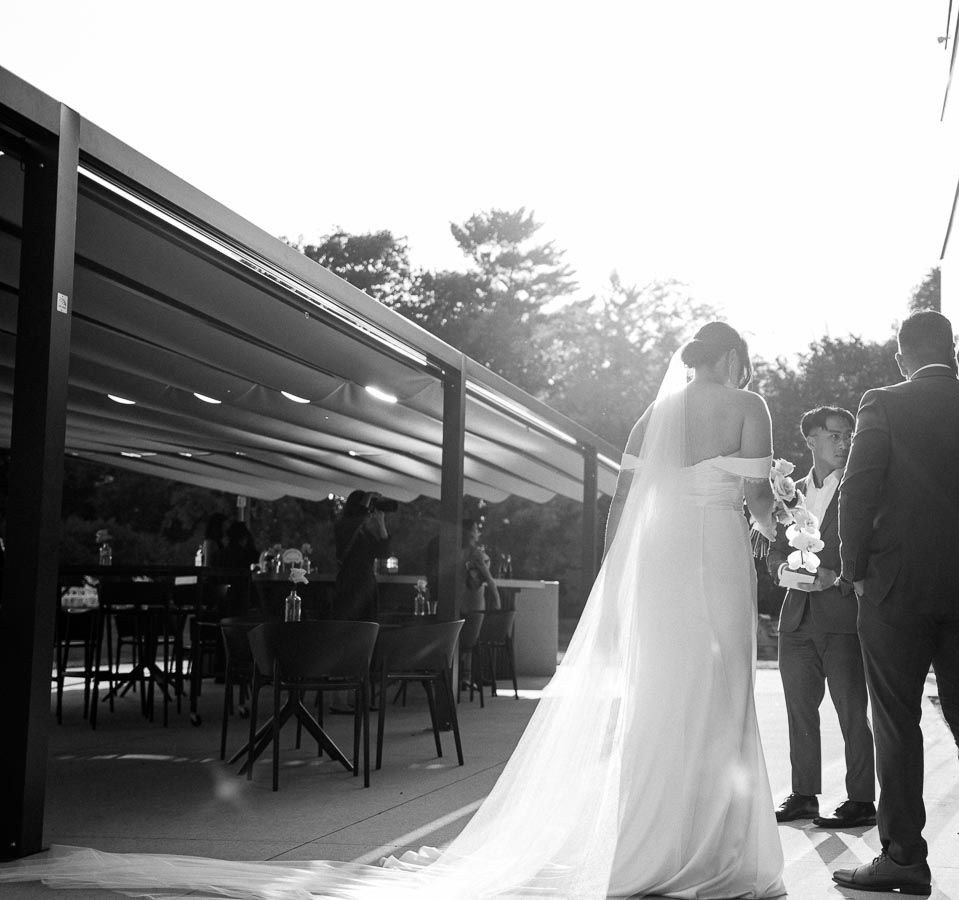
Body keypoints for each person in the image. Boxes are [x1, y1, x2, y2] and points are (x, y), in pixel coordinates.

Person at [0, 321, 787, 899]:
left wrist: (618, 580)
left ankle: (647, 844)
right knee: (719, 698)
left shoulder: (652, 419)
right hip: (714, 561)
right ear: (730, 358)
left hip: (656, 572)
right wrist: (785, 520)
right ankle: (712, 845)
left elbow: (622, 517)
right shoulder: (749, 403)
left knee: (663, 701)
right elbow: (754, 500)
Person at [834, 310, 959, 899]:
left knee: (896, 720)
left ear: (901, 355)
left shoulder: (882, 402)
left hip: (896, 591)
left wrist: (855, 571)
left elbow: (856, 492)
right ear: (953, 354)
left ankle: (905, 859)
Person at [769, 405, 876, 829]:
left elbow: (874, 549)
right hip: (794, 620)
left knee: (852, 712)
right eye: (835, 435)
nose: (844, 442)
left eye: (848, 435)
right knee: (800, 711)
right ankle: (804, 795)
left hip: (843, 619)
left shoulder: (859, 487)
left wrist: (839, 578)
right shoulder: (787, 491)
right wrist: (781, 571)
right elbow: (775, 547)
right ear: (811, 439)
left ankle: (862, 801)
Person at [332, 489, 392, 622]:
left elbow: (384, 553)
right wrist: (368, 497)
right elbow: (357, 518)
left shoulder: (365, 533)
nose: (370, 510)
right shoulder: (344, 526)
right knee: (350, 623)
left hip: (366, 583)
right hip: (350, 581)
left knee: (367, 623)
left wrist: (381, 523)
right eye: (368, 506)